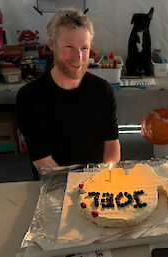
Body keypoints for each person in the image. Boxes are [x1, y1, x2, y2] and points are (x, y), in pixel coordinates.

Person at [16, 8, 120, 175]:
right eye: (69, 46)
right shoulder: (30, 97)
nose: (78, 56)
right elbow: (42, 160)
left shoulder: (102, 90)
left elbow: (112, 142)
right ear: (52, 45)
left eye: (84, 48)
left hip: (96, 182)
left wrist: (106, 176)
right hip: (54, 183)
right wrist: (76, 188)